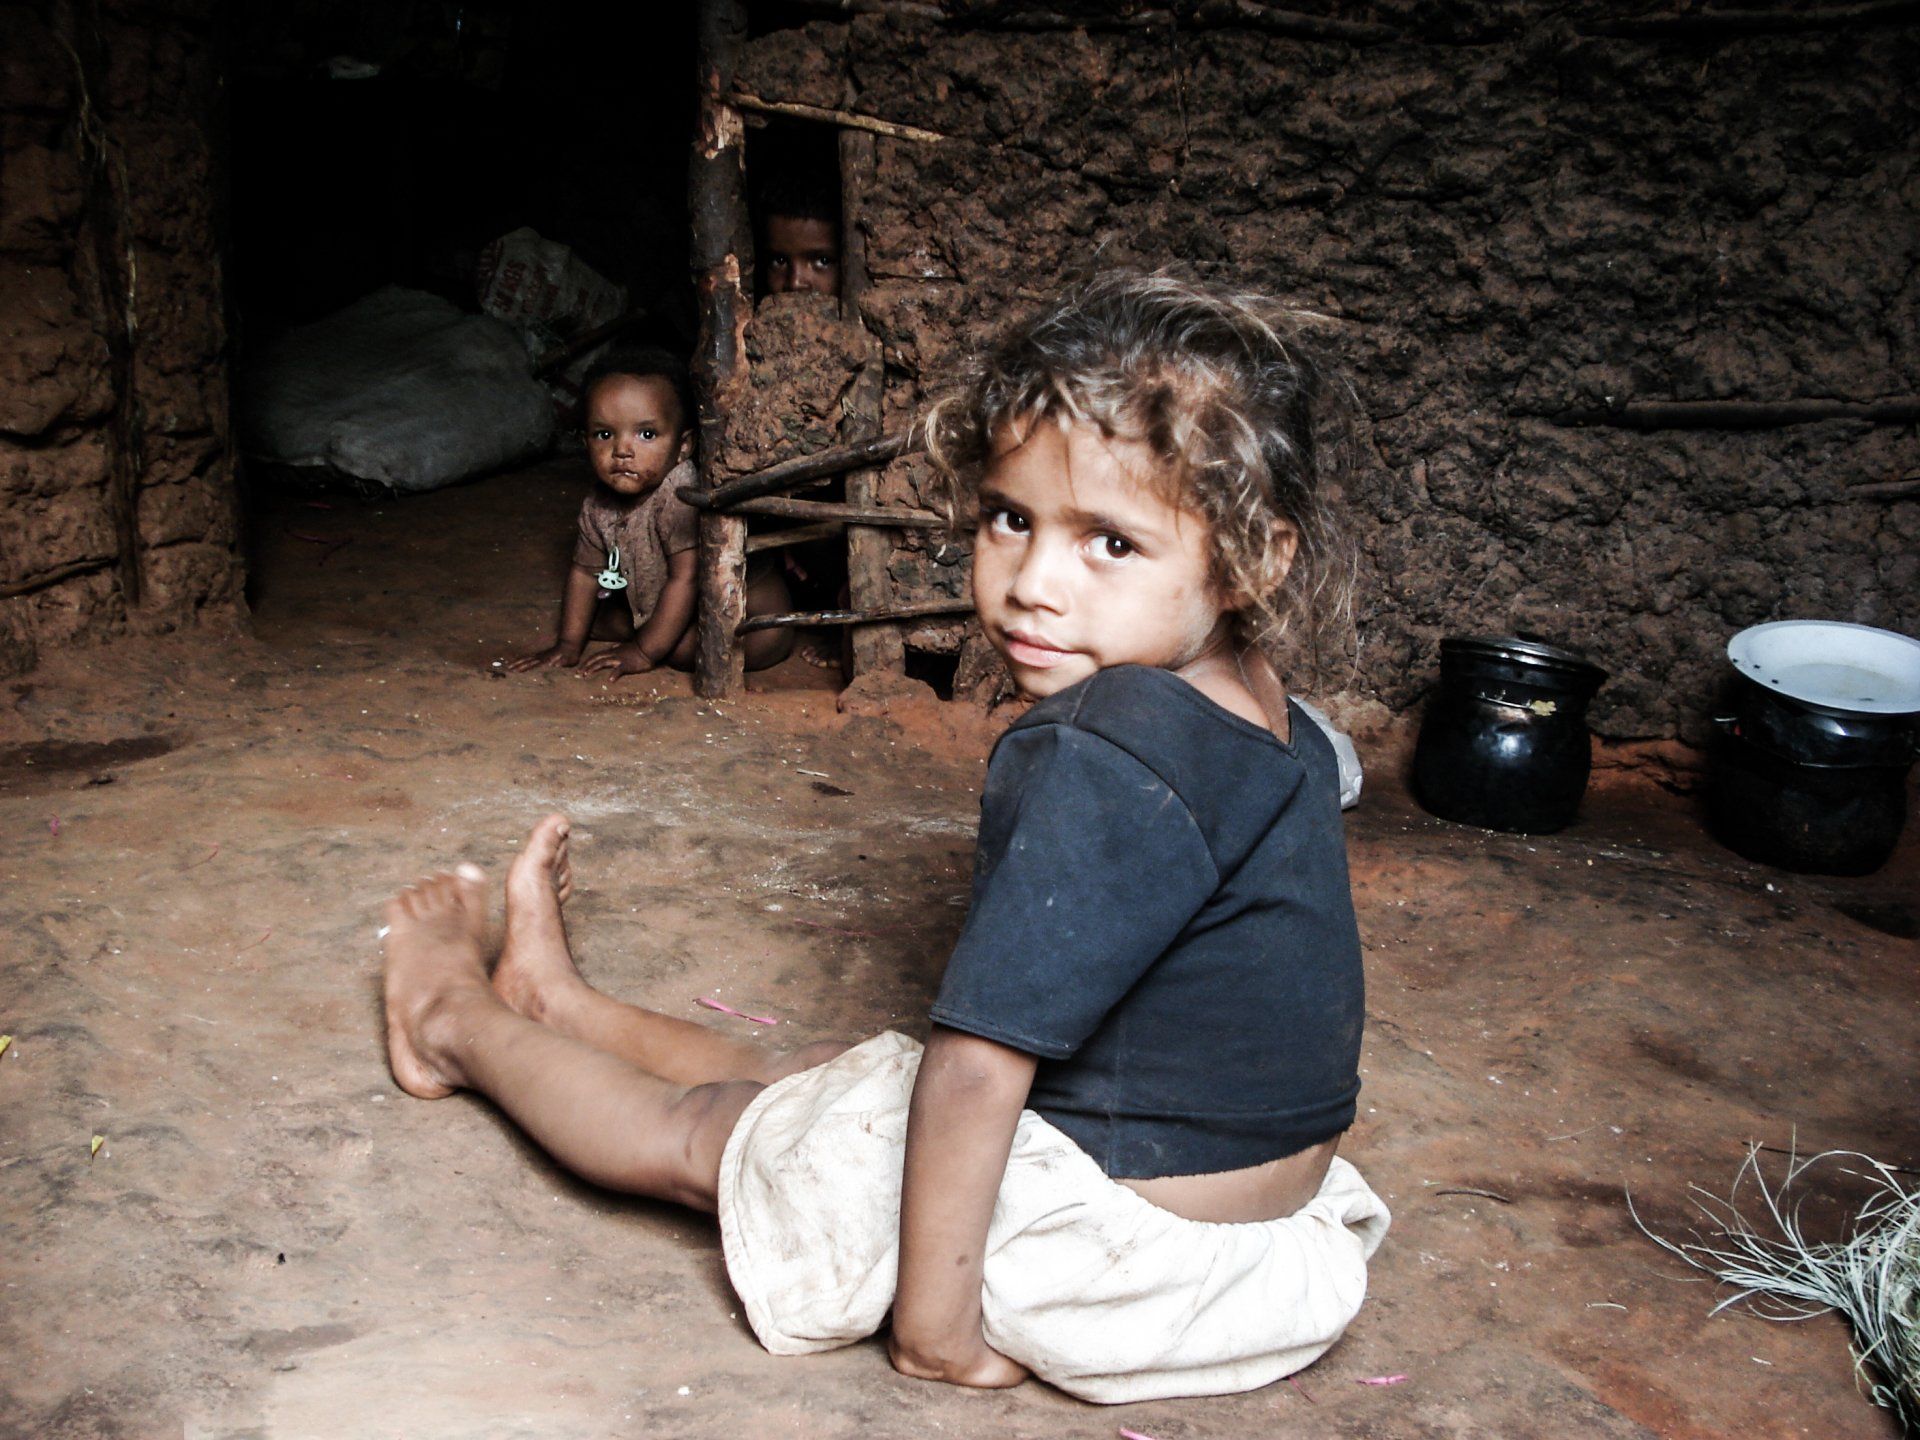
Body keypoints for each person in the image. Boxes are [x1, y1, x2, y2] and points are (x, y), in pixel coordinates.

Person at [386, 272, 1390, 1403]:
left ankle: (448, 1021)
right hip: (1263, 1240)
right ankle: (561, 1006)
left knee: (709, 1132)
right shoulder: (1272, 707)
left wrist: (937, 1328)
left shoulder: (1108, 745)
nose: (1031, 586)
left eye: (1109, 542)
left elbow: (977, 1069)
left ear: (1250, 559)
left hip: (1109, 1251)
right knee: (838, 1082)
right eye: (1012, 518)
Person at [507, 345, 792, 678]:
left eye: (646, 434)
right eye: (604, 434)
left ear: (683, 447)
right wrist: (568, 644)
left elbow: (685, 579)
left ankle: (647, 634)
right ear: (585, 443)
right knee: (624, 617)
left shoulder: (680, 493)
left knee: (682, 649)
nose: (623, 450)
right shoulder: (597, 506)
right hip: (683, 606)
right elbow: (585, 574)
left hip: (754, 622)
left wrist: (643, 651)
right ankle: (644, 629)